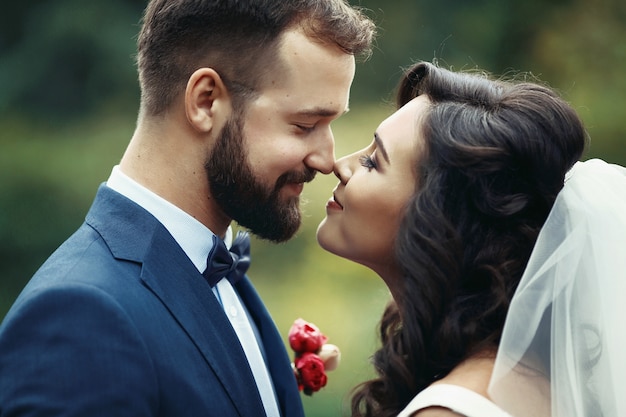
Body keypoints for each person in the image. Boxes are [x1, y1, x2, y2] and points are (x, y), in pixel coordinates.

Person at [0, 1, 374, 416]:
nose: (327, 159)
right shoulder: (79, 319)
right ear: (205, 101)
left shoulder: (217, 269)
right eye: (305, 125)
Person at [317, 61, 626, 416]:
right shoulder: (534, 381)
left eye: (373, 162)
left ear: (438, 219)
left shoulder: (450, 410)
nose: (339, 164)